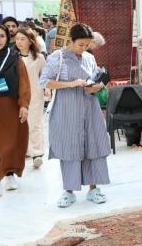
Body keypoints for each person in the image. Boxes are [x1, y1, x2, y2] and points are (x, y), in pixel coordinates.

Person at [40, 23, 110, 208]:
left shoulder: (89, 58)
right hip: (67, 110)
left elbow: (96, 78)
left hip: (90, 108)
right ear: (71, 41)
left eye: (87, 44)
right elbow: (44, 81)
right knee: (69, 148)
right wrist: (71, 84)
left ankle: (94, 189)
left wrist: (97, 86)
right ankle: (68, 192)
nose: (84, 48)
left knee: (94, 145)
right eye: (81, 44)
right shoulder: (57, 57)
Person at [0, 23, 30, 200]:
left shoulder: (14, 58)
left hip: (11, 107)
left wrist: (24, 105)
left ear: (7, 38)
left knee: (11, 142)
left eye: (1, 36)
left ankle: (10, 173)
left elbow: (24, 82)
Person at [14, 26, 46, 169]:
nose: (19, 42)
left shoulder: (39, 57)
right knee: (21, 124)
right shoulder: (12, 57)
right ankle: (26, 150)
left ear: (30, 40)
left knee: (35, 124)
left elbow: (44, 75)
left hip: (36, 94)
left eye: (22, 39)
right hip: (17, 96)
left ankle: (37, 154)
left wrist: (47, 89)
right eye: (17, 39)